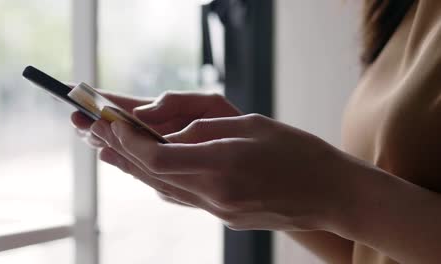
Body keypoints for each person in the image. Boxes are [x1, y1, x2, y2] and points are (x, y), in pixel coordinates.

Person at [71, 0, 441, 263]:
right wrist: (277, 188)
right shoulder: (400, 9)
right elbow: (372, 252)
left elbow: (355, 207)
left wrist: (336, 192)